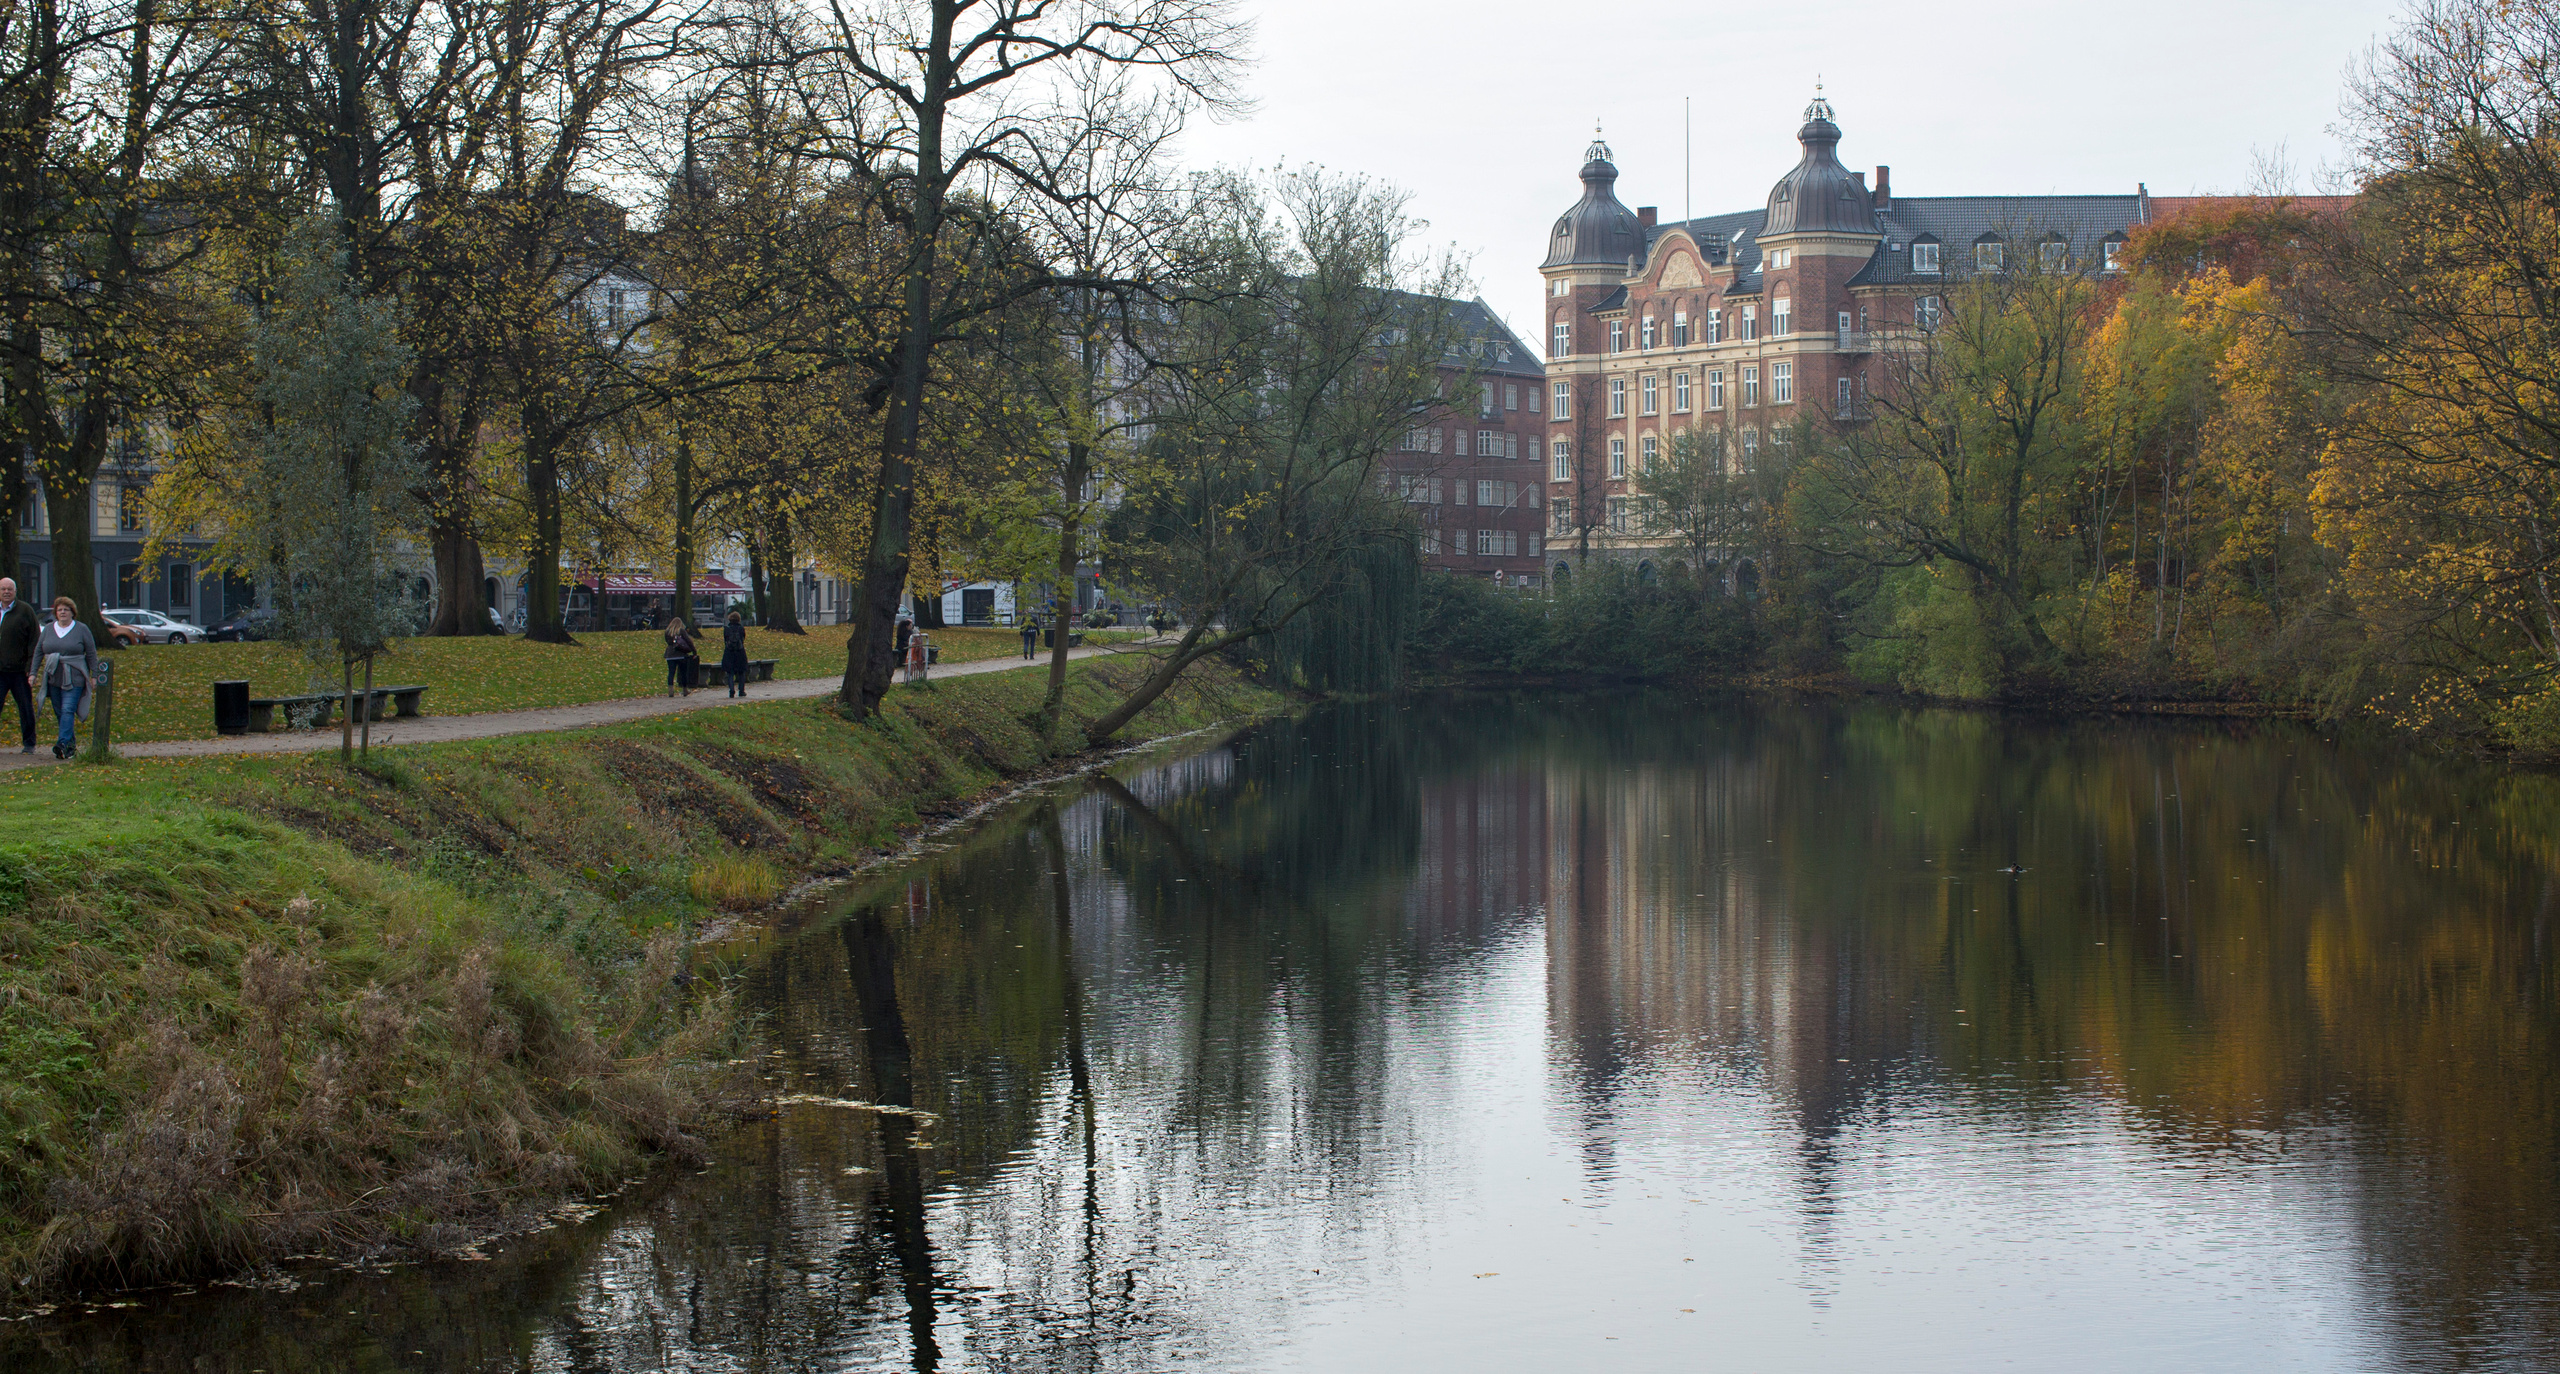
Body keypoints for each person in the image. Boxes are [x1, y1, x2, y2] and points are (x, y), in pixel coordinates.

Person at [34, 596, 98, 760]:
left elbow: (91, 653)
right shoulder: (48, 629)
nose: (62, 612)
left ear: (72, 612)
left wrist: (95, 675)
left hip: (74, 677)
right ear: (56, 612)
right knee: (60, 712)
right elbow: (38, 652)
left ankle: (62, 743)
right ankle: (69, 748)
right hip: (53, 676)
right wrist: (33, 673)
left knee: (68, 709)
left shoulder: (82, 629)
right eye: (59, 610)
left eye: (66, 609)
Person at [0, 578, 37, 754]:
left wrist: (31, 666)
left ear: (15, 591)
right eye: (3, 589)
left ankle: (29, 743)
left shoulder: (25, 611)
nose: (6, 592)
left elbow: (34, 640)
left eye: (9, 589)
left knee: (25, 707)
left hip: (19, 671)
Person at [662, 616, 698, 697]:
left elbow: (668, 642)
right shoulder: (681, 631)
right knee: (683, 673)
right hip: (681, 654)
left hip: (670, 654)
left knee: (671, 672)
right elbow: (688, 641)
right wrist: (694, 651)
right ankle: (685, 690)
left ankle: (670, 690)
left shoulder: (668, 631)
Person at [720, 609, 749, 698]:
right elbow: (743, 639)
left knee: (730, 673)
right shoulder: (741, 628)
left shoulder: (727, 629)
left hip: (729, 652)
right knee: (741, 672)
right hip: (740, 652)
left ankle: (731, 690)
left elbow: (725, 640)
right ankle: (741, 690)